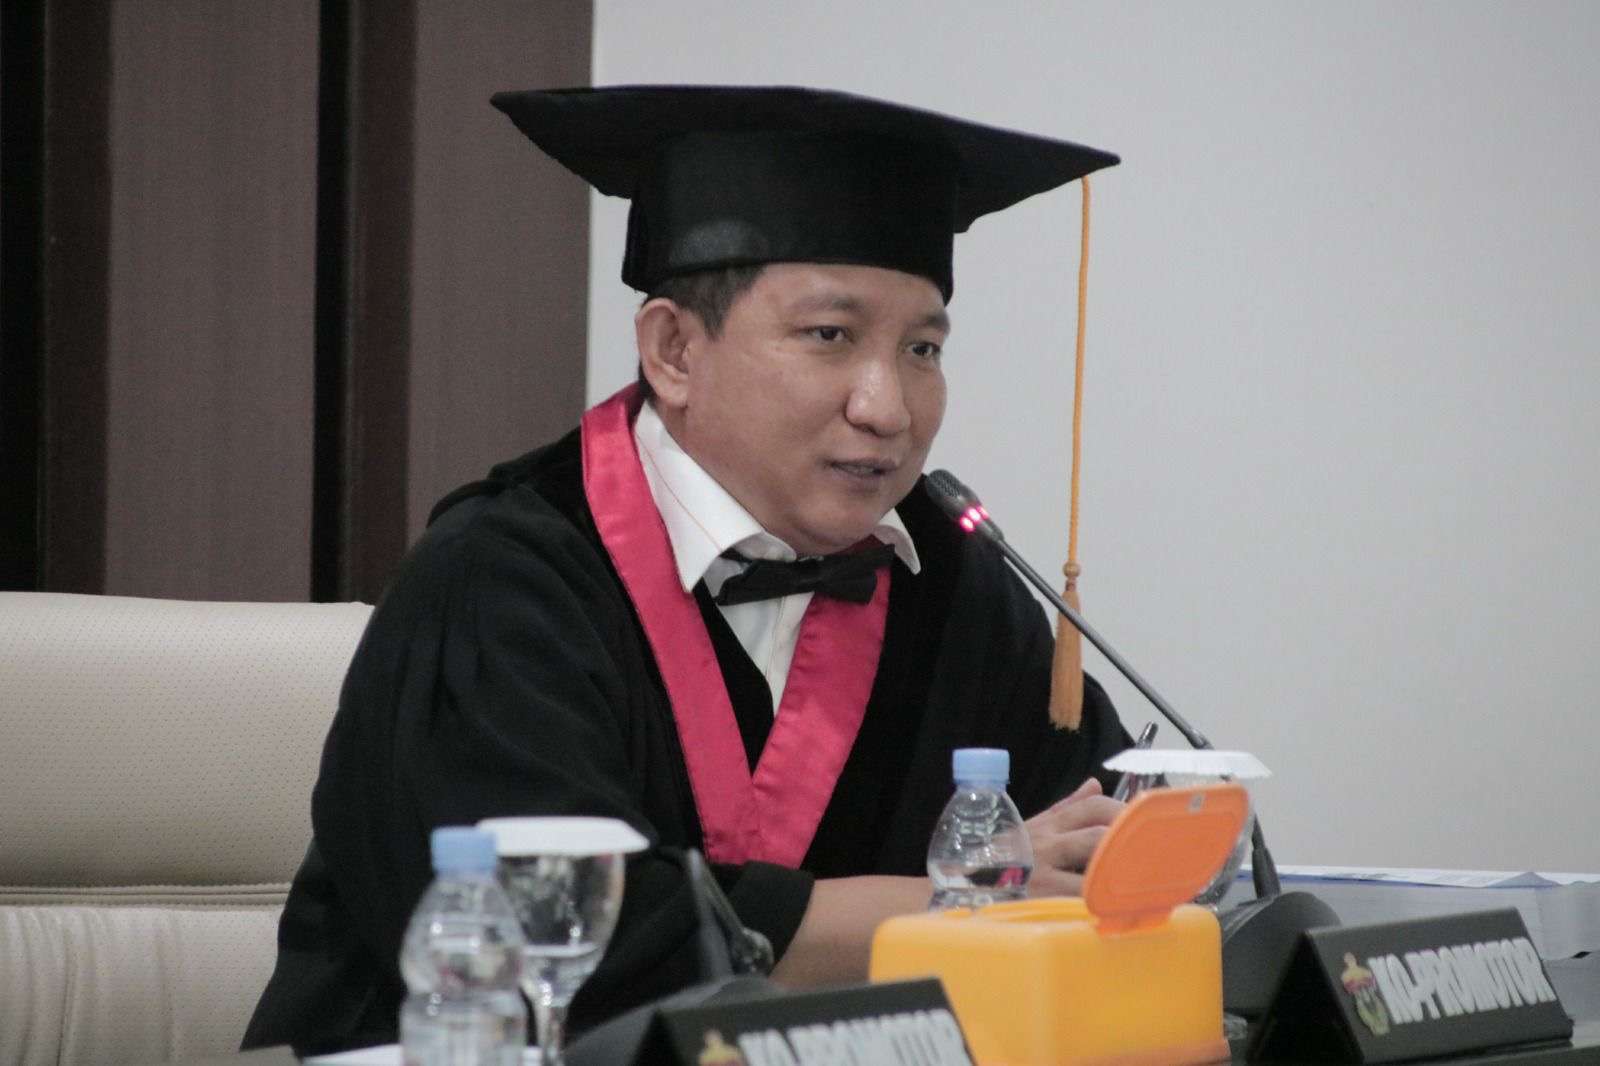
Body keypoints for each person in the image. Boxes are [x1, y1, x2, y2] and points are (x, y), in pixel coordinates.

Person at [243, 85, 1132, 1055]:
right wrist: (955, 903)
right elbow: (562, 938)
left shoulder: (952, 579)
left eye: (921, 348)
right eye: (829, 336)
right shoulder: (497, 581)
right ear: (673, 351)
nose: (886, 407)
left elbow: (1092, 836)